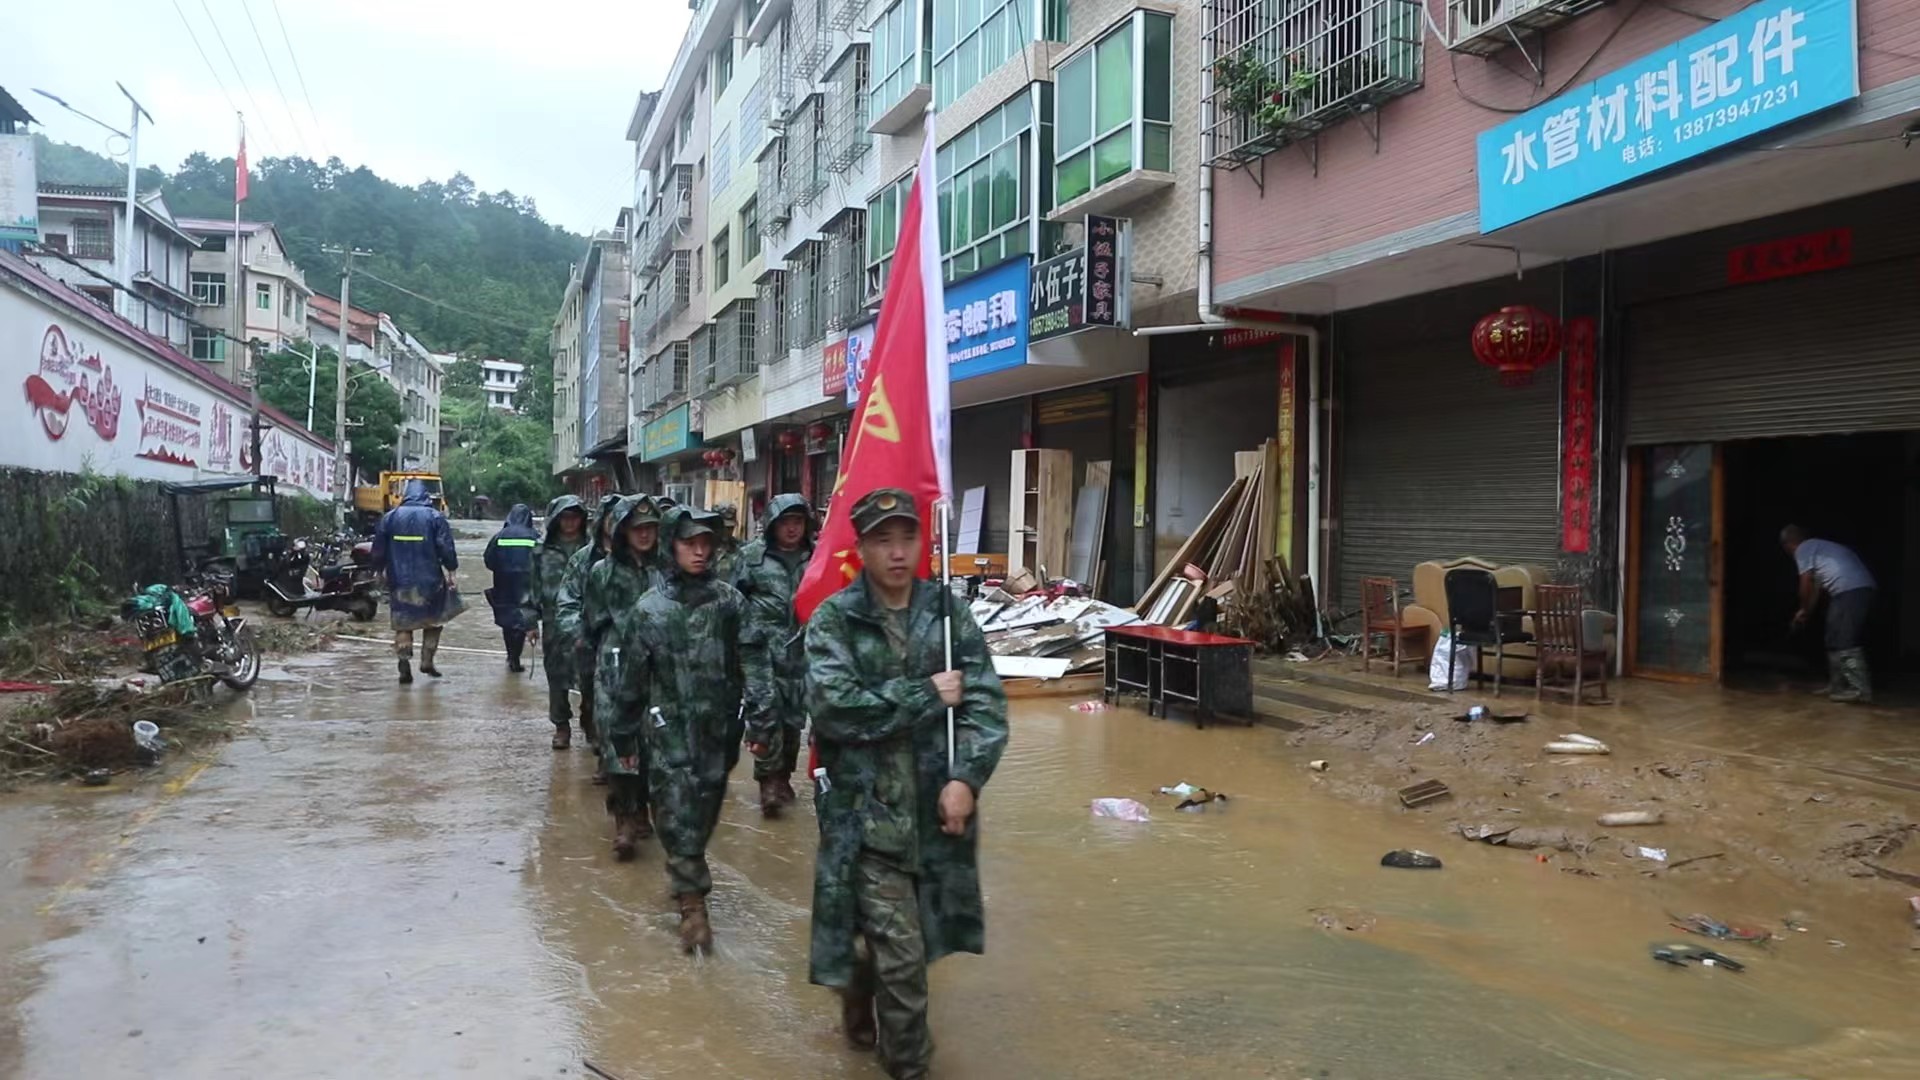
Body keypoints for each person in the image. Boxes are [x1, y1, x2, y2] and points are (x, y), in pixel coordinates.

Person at [805, 488, 1009, 1079]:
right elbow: (835, 710)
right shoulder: (835, 621)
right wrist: (924, 693)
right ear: (861, 547)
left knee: (905, 945)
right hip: (864, 818)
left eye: (907, 538)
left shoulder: (947, 614)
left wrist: (965, 778)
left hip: (934, 814)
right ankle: (908, 1068)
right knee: (904, 961)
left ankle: (858, 983)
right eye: (882, 541)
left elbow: (985, 707)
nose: (898, 553)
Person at [604, 505, 745, 951]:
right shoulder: (649, 611)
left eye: (707, 543)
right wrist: (623, 737)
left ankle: (687, 872)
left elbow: (754, 658)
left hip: (719, 734)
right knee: (678, 813)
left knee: (703, 814)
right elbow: (630, 684)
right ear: (672, 546)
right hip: (667, 736)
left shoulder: (728, 603)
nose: (700, 552)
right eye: (690, 543)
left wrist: (760, 712)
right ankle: (692, 904)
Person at [583, 495, 668, 859]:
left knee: (655, 741)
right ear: (622, 531)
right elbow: (592, 620)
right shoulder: (602, 571)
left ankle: (643, 809)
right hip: (615, 660)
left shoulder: (666, 568)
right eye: (638, 529)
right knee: (618, 738)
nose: (645, 535)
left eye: (651, 528)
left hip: (660, 663)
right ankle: (623, 820)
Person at [733, 493, 817, 816]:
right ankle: (767, 781)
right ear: (772, 525)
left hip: (801, 651)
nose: (792, 529)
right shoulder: (752, 557)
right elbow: (734, 599)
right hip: (761, 651)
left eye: (798, 522)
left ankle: (783, 777)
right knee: (765, 714)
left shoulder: (817, 557)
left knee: (794, 719)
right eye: (786, 522)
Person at [370, 478, 460, 684]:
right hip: (430, 580)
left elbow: (378, 550)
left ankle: (403, 661)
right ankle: (427, 660)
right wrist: (452, 571)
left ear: (405, 495)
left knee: (403, 623)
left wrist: (377, 571)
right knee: (434, 621)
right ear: (426, 496)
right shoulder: (435, 517)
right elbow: (445, 548)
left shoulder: (390, 518)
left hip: (399, 580)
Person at [556, 493, 625, 754]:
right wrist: (579, 634)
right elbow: (567, 601)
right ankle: (597, 735)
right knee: (593, 695)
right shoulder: (584, 559)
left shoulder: (644, 559)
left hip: (630, 645)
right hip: (591, 643)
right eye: (611, 518)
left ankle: (613, 757)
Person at [1781, 525, 1878, 704]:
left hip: (1852, 590)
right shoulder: (1818, 549)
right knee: (1833, 637)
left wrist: (1802, 605)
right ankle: (1837, 686)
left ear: (1788, 545)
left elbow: (1805, 583)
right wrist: (1805, 612)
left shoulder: (1804, 548)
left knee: (1846, 640)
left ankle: (1860, 689)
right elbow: (1816, 590)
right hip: (1847, 591)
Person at [525, 496, 590, 746]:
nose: (570, 522)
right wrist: (530, 621)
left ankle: (590, 719)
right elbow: (532, 586)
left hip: (587, 622)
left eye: (575, 516)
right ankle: (561, 725)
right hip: (554, 623)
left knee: (589, 674)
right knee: (556, 675)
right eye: (565, 516)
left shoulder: (592, 549)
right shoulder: (541, 551)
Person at [483, 503, 540, 672]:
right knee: (523, 618)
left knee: (507, 621)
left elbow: (489, 560)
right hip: (527, 584)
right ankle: (515, 657)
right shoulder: (535, 536)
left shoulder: (499, 536)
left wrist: (501, 569)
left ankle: (511, 656)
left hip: (503, 583)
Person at [711, 502, 743, 581]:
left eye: (730, 527)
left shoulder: (741, 550)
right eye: (723, 527)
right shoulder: (703, 548)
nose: (727, 531)